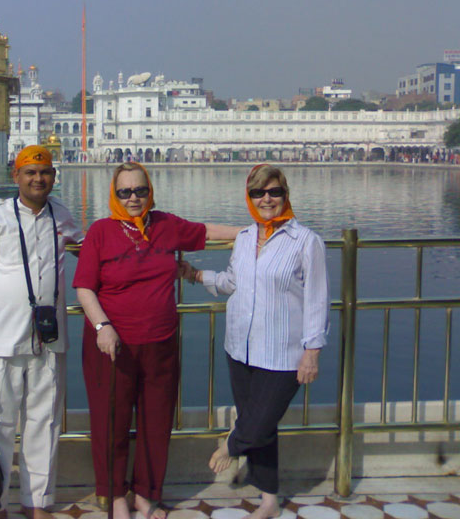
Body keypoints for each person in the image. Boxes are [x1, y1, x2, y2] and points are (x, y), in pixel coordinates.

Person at [73, 162, 241, 519]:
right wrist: (103, 326)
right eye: (125, 192)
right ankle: (115, 495)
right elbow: (84, 287)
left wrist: (254, 231)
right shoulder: (101, 231)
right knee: (111, 422)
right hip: (112, 345)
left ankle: (146, 494)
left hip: (160, 341)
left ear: (149, 192)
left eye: (140, 190)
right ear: (114, 195)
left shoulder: (164, 225)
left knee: (157, 421)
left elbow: (206, 231)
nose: (133, 198)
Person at [189, 164, 329, 519]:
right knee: (263, 427)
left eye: (273, 191)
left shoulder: (306, 241)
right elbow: (233, 282)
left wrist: (312, 352)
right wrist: (196, 275)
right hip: (241, 346)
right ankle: (269, 500)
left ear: (285, 194)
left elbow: (317, 299)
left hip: (283, 352)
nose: (266, 199)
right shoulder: (245, 237)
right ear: (249, 197)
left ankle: (232, 443)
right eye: (258, 193)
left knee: (260, 420)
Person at [0, 145, 83, 519]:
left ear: (53, 177)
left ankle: (37, 502)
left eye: (44, 173)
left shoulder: (61, 214)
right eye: (30, 173)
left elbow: (86, 249)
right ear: (16, 177)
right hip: (1, 341)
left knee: (45, 423)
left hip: (48, 341)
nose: (38, 179)